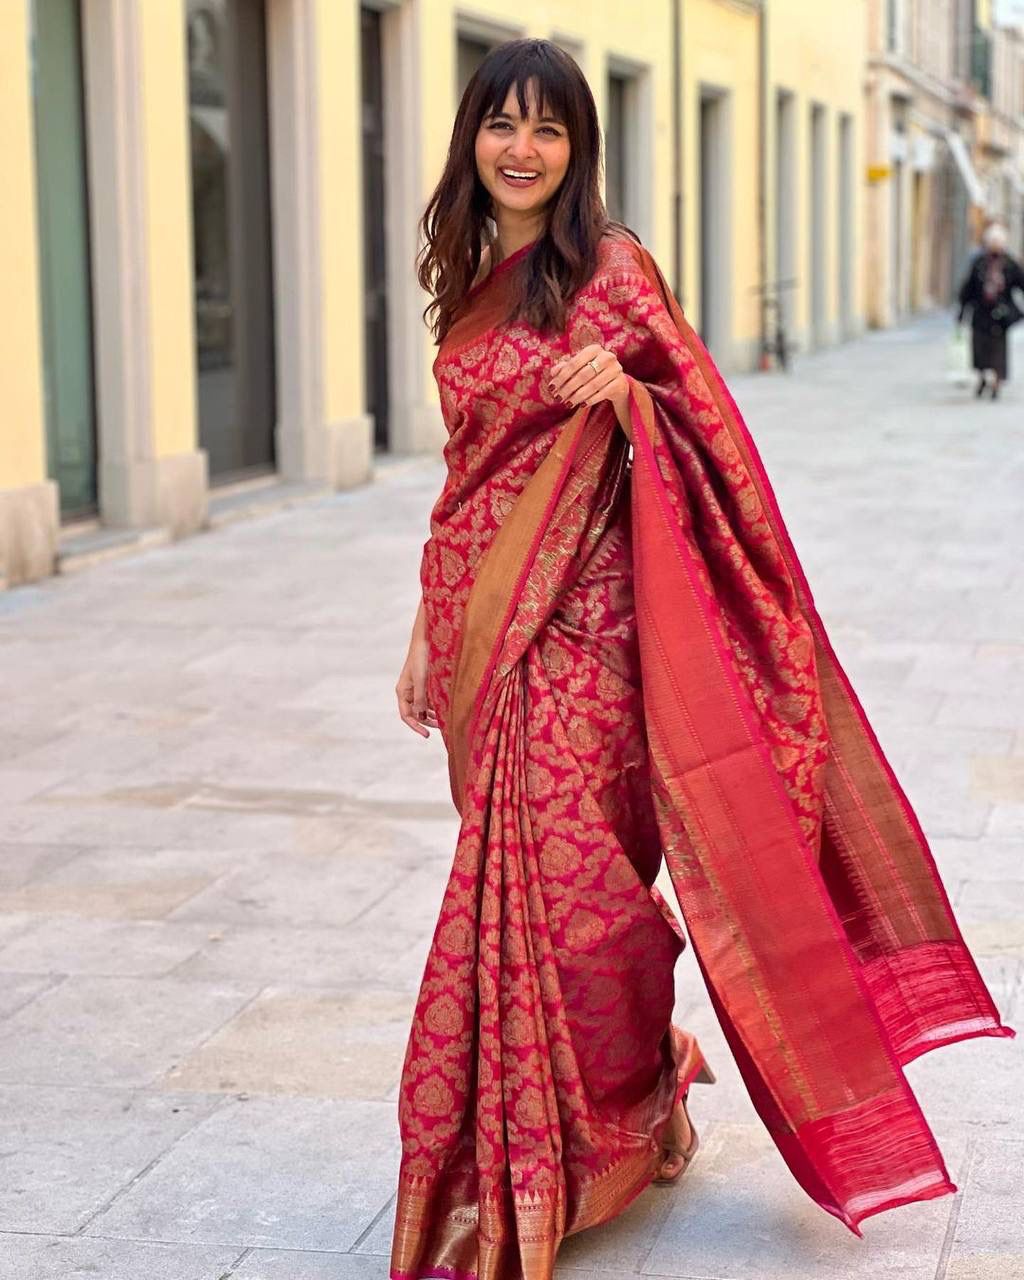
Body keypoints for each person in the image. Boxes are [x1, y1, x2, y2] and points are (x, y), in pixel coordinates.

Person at [391, 38, 1014, 1280]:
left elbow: (705, 423)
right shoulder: (463, 281)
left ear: (578, 149)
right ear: (472, 138)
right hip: (480, 624)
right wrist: (423, 625)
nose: (521, 148)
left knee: (572, 901)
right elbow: (466, 473)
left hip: (592, 631)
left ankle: (586, 1133)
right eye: (502, 124)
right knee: (522, 888)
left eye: (548, 128)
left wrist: (626, 392)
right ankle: (632, 1094)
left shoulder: (611, 272)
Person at [956, 220, 1024, 400]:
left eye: (998, 242)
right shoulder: (979, 262)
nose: (995, 245)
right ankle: (982, 378)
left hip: (1001, 317)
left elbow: (1021, 283)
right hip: (981, 314)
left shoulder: (1009, 263)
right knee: (980, 350)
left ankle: (996, 383)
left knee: (998, 353)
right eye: (993, 242)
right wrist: (962, 311)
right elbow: (969, 288)